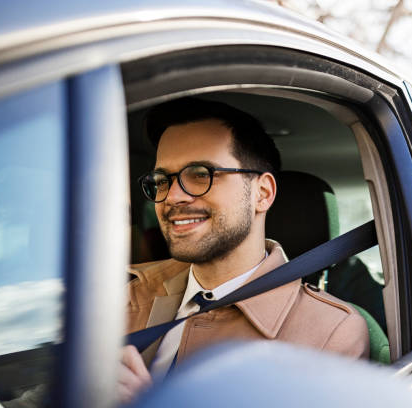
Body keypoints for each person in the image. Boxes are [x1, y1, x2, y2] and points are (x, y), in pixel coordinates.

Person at [119, 98, 370, 403]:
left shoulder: (330, 333)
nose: (171, 197)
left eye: (200, 174)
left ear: (262, 194)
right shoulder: (123, 296)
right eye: (161, 180)